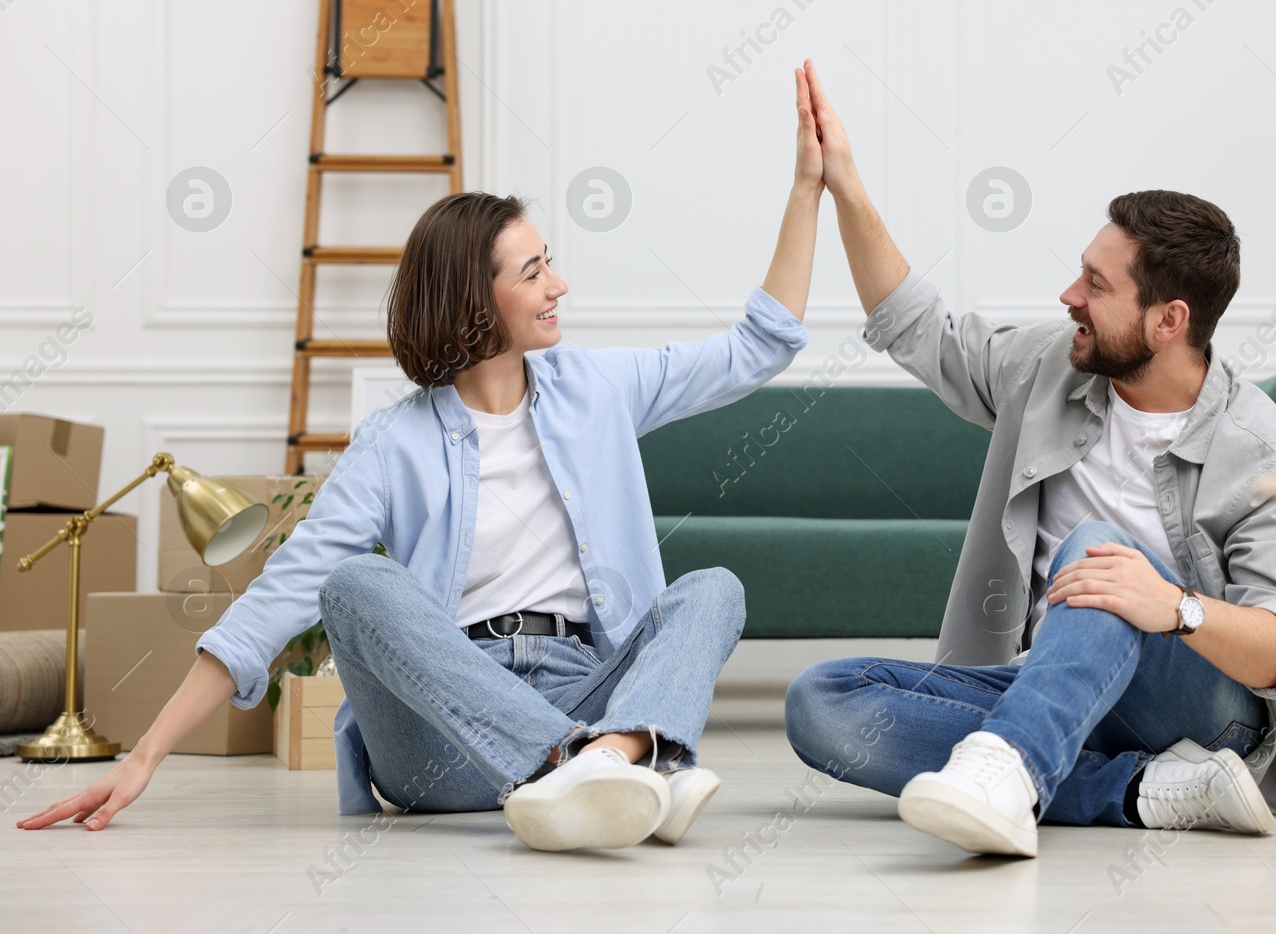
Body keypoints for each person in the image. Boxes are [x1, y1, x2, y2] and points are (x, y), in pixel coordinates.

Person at [19, 66, 828, 853]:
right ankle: (621, 761)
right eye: (535, 270)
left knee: (712, 589)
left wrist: (804, 190)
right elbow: (278, 598)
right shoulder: (392, 442)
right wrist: (143, 754)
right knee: (352, 582)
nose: (560, 284)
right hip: (445, 739)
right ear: (478, 301)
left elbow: (755, 349)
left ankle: (606, 760)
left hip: (585, 679)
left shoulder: (596, 385)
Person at [783, 61, 1276, 858]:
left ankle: (1007, 766)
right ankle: (1137, 789)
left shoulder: (1268, 455)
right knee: (823, 701)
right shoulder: (1047, 368)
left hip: (1199, 707)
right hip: (1046, 678)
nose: (1068, 295)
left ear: (1169, 319)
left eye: (1095, 284)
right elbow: (919, 327)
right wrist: (844, 184)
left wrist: (1170, 605)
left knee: (1101, 551)